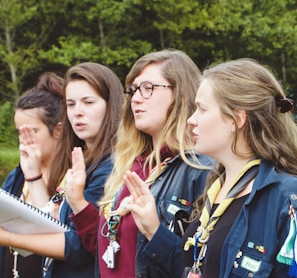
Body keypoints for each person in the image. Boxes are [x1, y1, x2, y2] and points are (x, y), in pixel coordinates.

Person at [124, 58, 297, 278]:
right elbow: (193, 267)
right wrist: (154, 229)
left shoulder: (287, 200)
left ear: (236, 118)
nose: (191, 120)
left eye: (202, 109)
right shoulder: (215, 188)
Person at [66, 49, 213, 277]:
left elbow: (199, 267)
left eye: (148, 88)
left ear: (180, 93)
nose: (135, 98)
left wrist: (155, 231)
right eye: (133, 90)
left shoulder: (201, 169)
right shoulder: (129, 164)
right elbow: (110, 252)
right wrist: (77, 203)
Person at [0, 62, 124, 278]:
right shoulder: (83, 159)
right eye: (71, 104)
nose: (78, 112)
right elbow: (51, 228)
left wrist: (9, 238)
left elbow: (79, 247)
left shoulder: (112, 166)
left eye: (88, 102)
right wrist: (32, 175)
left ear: (110, 104)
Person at [0, 72, 64, 278]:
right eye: (20, 132)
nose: (24, 140)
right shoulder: (16, 177)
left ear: (58, 130)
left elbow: (62, 242)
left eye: (32, 131)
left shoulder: (73, 179)